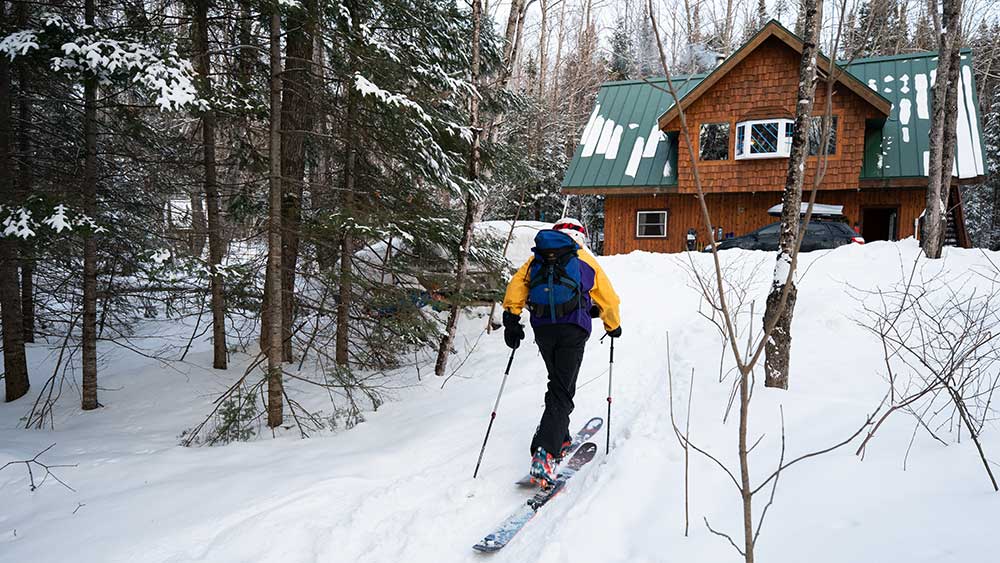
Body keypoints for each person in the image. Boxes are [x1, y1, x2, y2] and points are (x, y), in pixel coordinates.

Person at [500, 218, 621, 489]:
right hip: (573, 330)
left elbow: (516, 288)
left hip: (543, 328)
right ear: (581, 236)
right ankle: (544, 451)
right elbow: (609, 299)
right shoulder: (583, 259)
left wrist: (512, 320)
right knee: (562, 389)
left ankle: (560, 435)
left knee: (557, 382)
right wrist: (613, 326)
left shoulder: (538, 259)